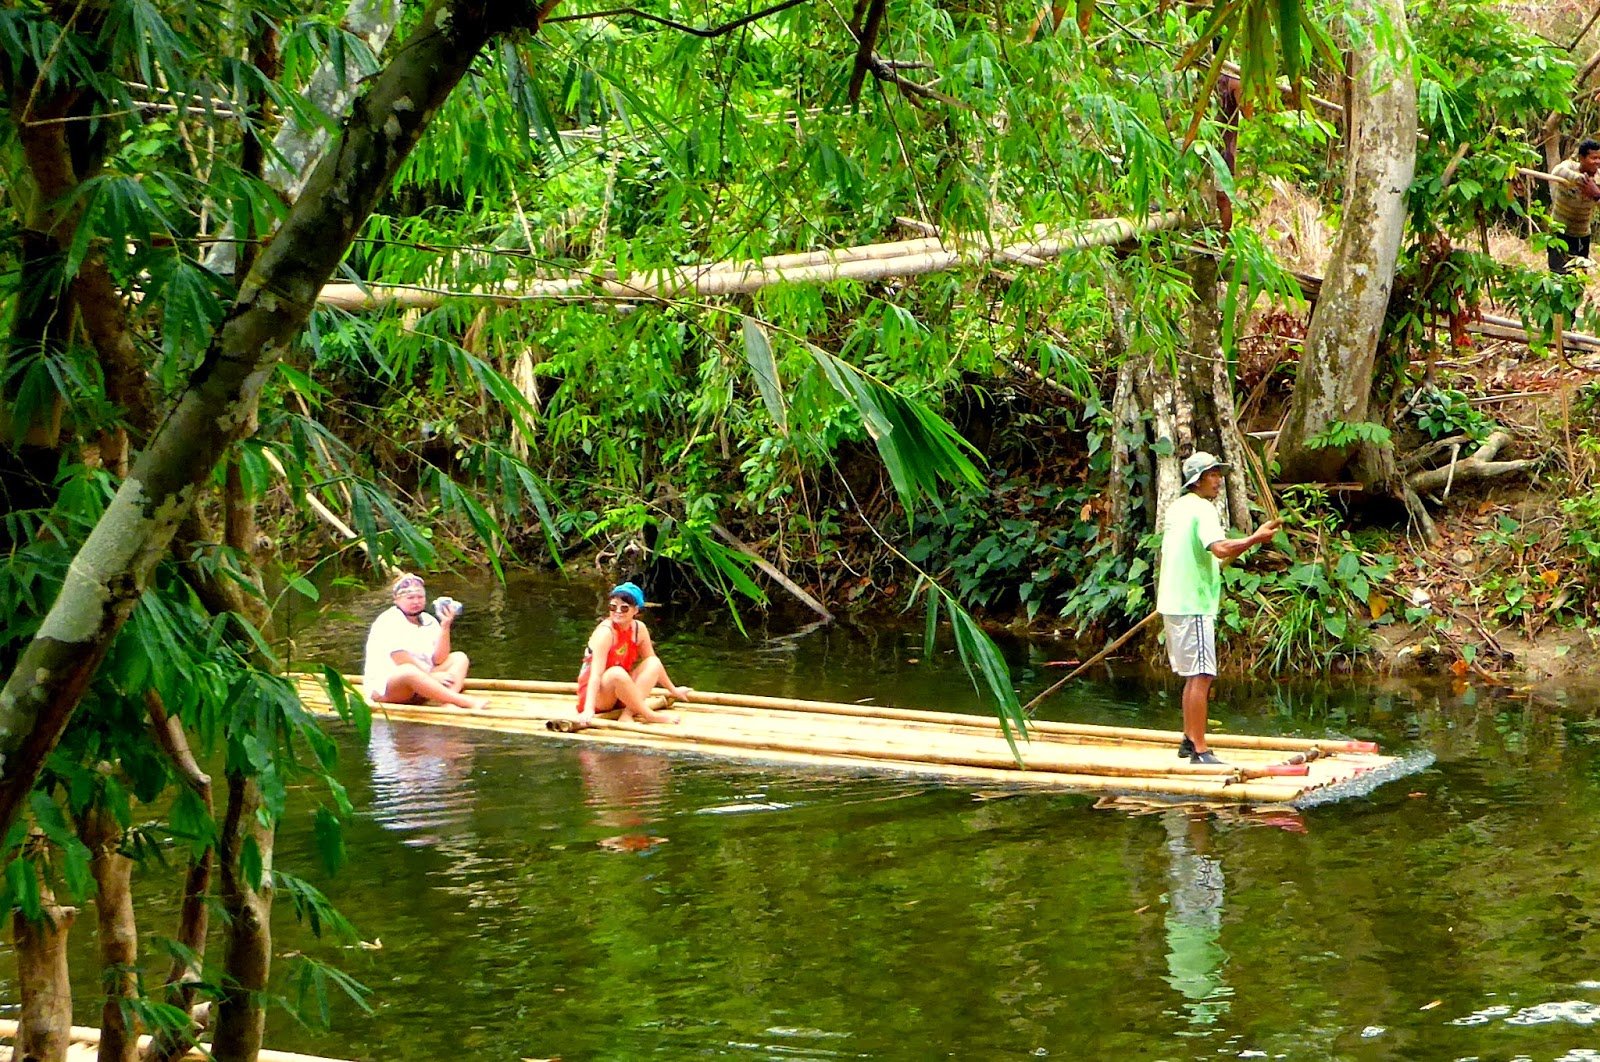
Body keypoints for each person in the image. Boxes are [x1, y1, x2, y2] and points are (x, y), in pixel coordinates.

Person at [1156, 452, 1280, 765]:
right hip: (1192, 602)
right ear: (1197, 479)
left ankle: (1188, 739)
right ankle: (1199, 749)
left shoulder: (1179, 508)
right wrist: (1255, 538)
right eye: (1212, 474)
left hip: (1174, 601)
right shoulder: (1202, 509)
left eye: (1218, 474)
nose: (1218, 480)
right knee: (1202, 674)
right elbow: (1220, 547)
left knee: (1192, 675)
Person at [362, 572, 488, 711]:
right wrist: (431, 677)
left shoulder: (428, 620)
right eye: (410, 598)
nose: (416, 602)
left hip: (423, 682)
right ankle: (463, 701)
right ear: (396, 600)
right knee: (408, 671)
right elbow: (401, 660)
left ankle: (448, 700)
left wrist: (445, 626)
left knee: (459, 658)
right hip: (390, 688)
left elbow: (439, 659)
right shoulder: (388, 621)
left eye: (420, 597)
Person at [575, 581, 690, 726]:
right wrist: (588, 709)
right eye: (613, 607)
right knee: (616, 672)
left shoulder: (639, 629)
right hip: (600, 696)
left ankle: (628, 713)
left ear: (635, 610)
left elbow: (653, 662)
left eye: (624, 608)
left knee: (653, 663)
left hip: (622, 693)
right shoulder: (605, 632)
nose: (617, 612)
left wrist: (673, 690)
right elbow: (595, 675)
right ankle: (649, 714)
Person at [1549, 139, 1600, 274]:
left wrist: (1595, 194)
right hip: (1559, 232)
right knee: (1557, 275)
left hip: (1581, 236)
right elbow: (1556, 171)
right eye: (1593, 158)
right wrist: (1579, 180)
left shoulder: (1599, 178)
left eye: (1599, 158)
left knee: (1578, 278)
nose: (1597, 162)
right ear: (1581, 158)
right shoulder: (1570, 166)